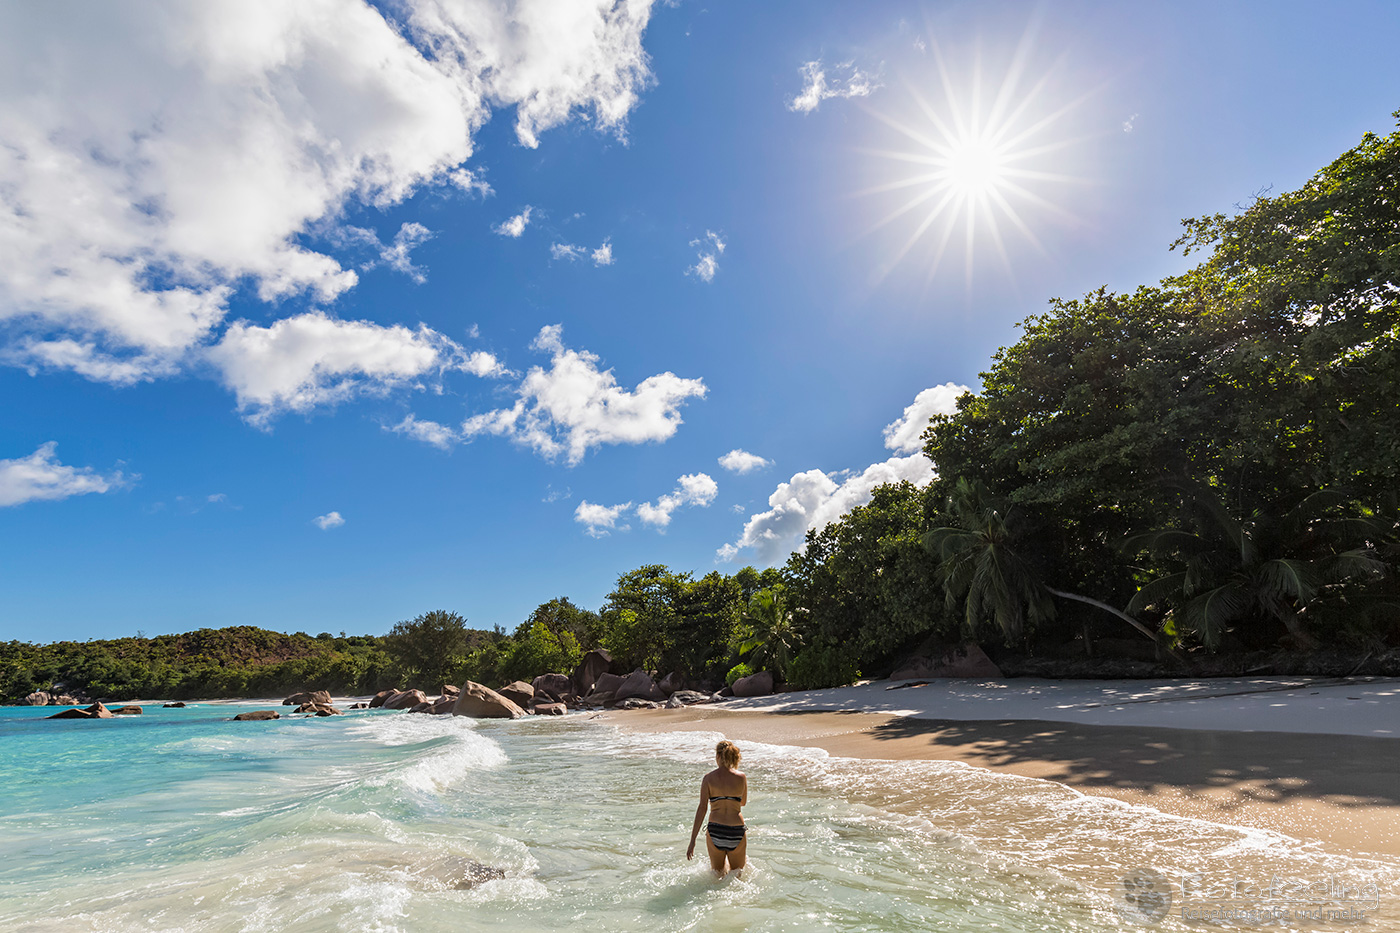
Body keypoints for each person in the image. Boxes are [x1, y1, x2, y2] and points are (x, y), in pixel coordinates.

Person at [686, 739, 747, 877]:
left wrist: (692, 841)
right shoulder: (741, 777)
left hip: (716, 831)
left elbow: (702, 808)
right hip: (736, 830)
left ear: (718, 756)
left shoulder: (708, 778)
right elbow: (742, 803)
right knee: (737, 876)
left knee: (717, 876)